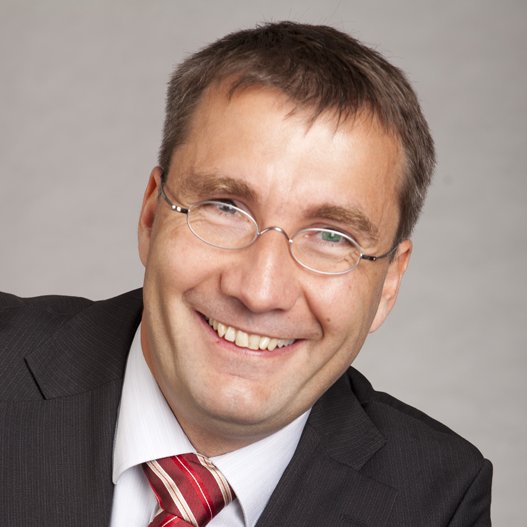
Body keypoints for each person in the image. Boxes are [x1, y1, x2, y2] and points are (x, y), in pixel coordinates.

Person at [0, 21, 492, 526]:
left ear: (389, 283)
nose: (259, 291)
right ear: (151, 215)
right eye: (225, 207)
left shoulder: (437, 503)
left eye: (331, 236)